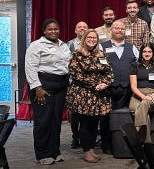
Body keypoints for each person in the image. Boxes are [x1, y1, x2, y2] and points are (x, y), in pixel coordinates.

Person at [25, 19, 70, 165]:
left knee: (56, 121)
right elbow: (30, 67)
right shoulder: (36, 45)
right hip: (44, 86)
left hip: (61, 86)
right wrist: (37, 88)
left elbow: (67, 65)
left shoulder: (63, 45)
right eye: (50, 29)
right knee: (43, 121)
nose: (53, 32)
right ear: (44, 31)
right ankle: (42, 154)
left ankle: (54, 151)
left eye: (56, 29)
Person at [66, 29, 113, 163]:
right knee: (85, 124)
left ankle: (91, 149)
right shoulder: (76, 54)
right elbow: (77, 75)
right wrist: (96, 84)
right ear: (84, 39)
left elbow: (109, 72)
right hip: (83, 94)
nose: (92, 40)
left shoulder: (102, 55)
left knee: (94, 124)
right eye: (89, 37)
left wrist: (105, 84)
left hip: (100, 95)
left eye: (94, 38)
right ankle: (86, 152)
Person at [99, 20, 139, 154]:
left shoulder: (132, 47)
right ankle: (107, 145)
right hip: (107, 89)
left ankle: (123, 144)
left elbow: (137, 66)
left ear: (125, 31)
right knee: (106, 117)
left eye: (122, 28)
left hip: (126, 89)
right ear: (111, 30)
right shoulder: (101, 47)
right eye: (116, 28)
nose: (119, 30)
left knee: (123, 117)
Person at [129, 43, 154, 142]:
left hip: (153, 95)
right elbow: (133, 87)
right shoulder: (134, 65)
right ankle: (147, 146)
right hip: (137, 95)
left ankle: (134, 135)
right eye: (144, 51)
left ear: (153, 53)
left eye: (149, 51)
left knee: (144, 105)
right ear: (141, 53)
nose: (147, 54)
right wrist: (143, 96)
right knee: (145, 115)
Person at [67, 21, 88, 150]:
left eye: (84, 27)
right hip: (74, 84)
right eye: (79, 27)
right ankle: (75, 138)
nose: (82, 29)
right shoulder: (69, 45)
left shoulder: (93, 44)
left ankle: (86, 138)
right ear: (75, 30)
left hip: (90, 85)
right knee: (74, 113)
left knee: (88, 113)